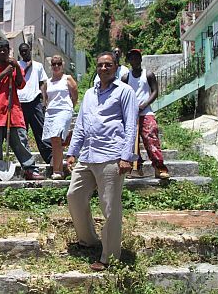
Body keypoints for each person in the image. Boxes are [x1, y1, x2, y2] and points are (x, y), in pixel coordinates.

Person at [66, 52, 138, 271]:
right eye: (100, 65)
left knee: (110, 208)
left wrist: (126, 157)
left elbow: (131, 125)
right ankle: (89, 240)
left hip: (111, 156)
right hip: (87, 156)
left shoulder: (125, 91)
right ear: (96, 68)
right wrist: (72, 152)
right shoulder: (89, 94)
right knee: (74, 196)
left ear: (116, 67)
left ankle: (109, 256)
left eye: (108, 65)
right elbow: (80, 125)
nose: (104, 68)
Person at [0, 40, 44, 181]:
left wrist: (15, 66)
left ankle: (30, 169)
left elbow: (21, 84)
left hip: (13, 109)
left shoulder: (14, 66)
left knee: (20, 141)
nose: (2, 52)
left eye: (5, 49)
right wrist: (4, 73)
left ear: (9, 51)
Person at [121, 49, 170, 179]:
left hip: (146, 112)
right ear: (129, 61)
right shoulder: (126, 78)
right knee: (131, 141)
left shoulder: (148, 75)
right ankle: (135, 167)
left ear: (141, 59)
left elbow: (155, 92)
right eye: (132, 58)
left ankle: (159, 168)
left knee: (151, 137)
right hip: (130, 114)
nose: (134, 60)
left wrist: (144, 105)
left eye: (137, 57)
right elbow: (121, 95)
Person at [42, 55, 78, 180]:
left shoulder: (67, 78)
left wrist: (69, 108)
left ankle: (57, 170)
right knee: (54, 141)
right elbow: (45, 99)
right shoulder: (48, 82)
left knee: (57, 138)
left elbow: (75, 95)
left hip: (64, 110)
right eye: (53, 64)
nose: (56, 66)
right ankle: (58, 168)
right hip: (51, 112)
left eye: (58, 64)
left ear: (62, 65)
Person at [17, 43, 52, 165]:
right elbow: (18, 80)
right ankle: (24, 161)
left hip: (35, 101)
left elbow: (42, 83)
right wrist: (26, 67)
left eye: (26, 51)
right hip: (20, 103)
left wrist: (44, 100)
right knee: (22, 133)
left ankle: (50, 158)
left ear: (30, 50)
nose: (24, 53)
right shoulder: (17, 65)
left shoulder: (38, 66)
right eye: (21, 51)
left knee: (41, 130)